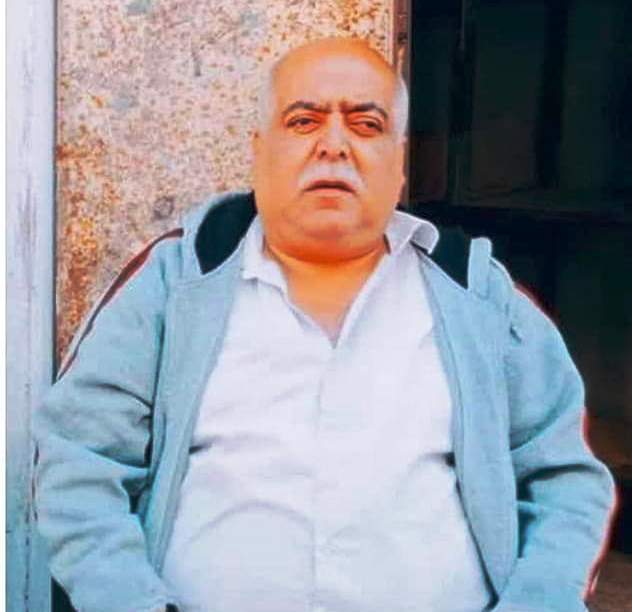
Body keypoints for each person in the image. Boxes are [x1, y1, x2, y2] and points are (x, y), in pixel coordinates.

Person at [34, 37, 614, 612]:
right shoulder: (175, 282)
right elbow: (78, 463)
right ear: (259, 152)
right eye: (304, 121)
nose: (334, 145)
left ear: (399, 162)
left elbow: (565, 482)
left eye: (365, 125)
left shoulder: (479, 295)